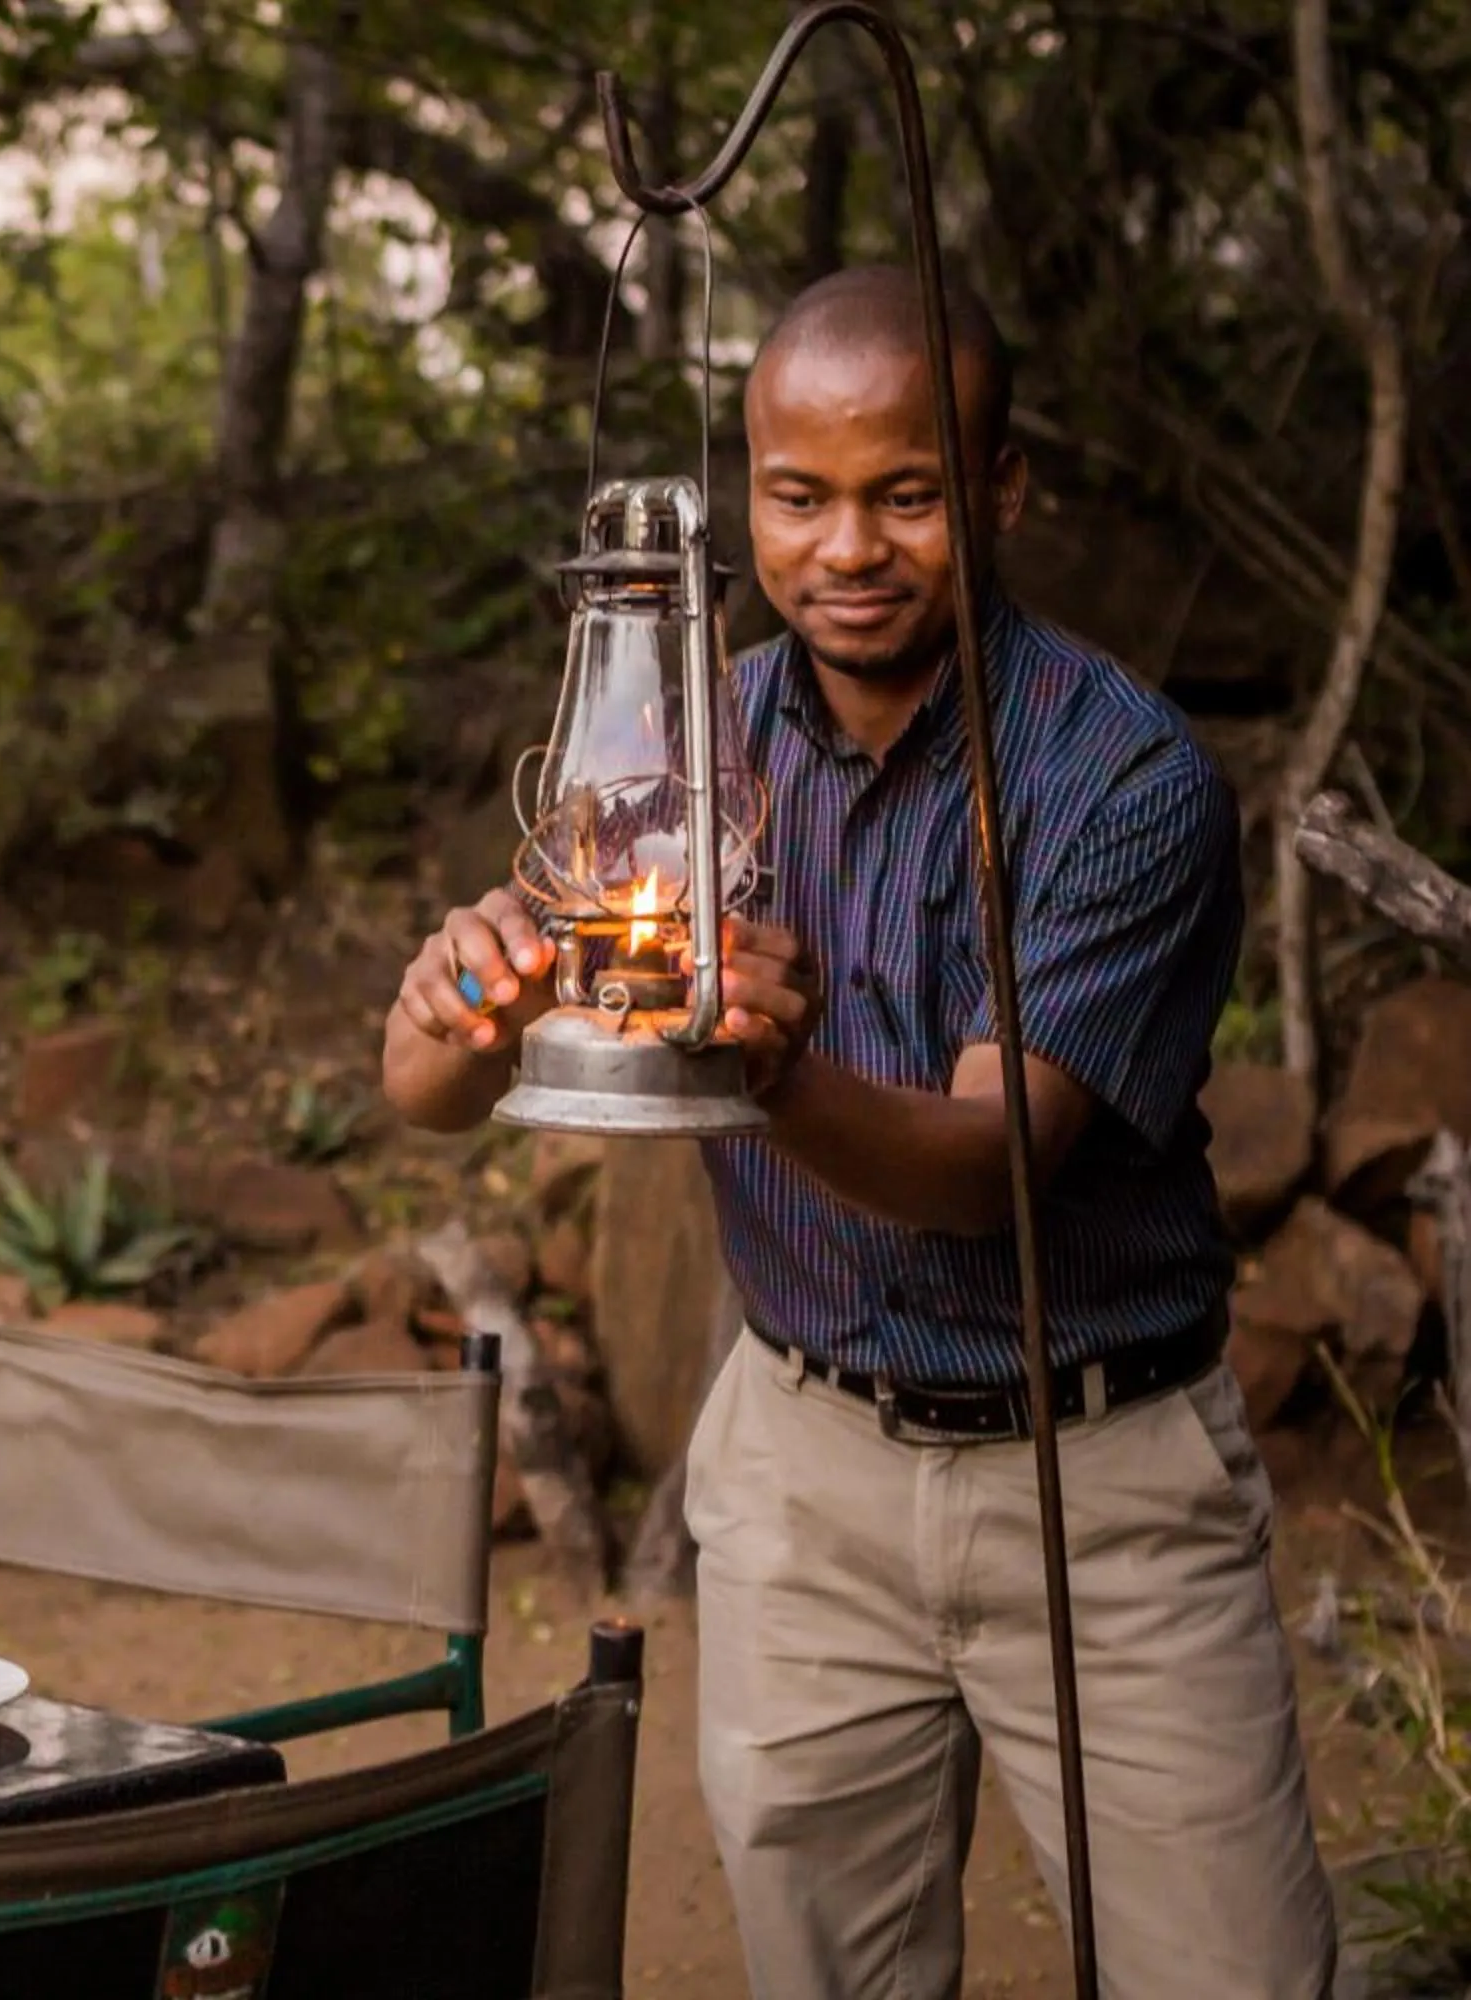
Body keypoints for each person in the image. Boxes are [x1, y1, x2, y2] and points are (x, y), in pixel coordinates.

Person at [379, 265, 1335, 1996]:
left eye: (906, 494)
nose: (847, 548)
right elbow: (431, 1093)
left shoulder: (1123, 780)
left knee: (1233, 1974)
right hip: (805, 1467)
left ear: (1001, 491)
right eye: (799, 496)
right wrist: (457, 995)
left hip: (1093, 1480)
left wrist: (763, 1062)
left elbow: (988, 1176)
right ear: (748, 498)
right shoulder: (696, 730)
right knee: (835, 1972)